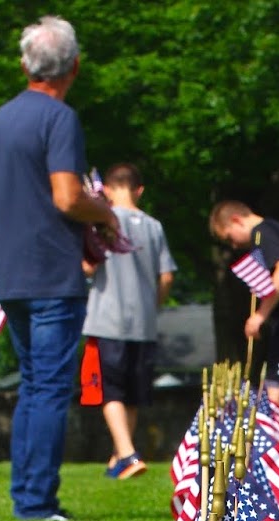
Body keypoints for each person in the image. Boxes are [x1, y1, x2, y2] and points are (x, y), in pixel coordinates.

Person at [0, 15, 119, 521]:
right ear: (75, 66)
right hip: (52, 273)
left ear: (24, 65)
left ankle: (27, 495)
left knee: (32, 385)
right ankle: (37, 502)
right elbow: (66, 197)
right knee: (50, 388)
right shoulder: (60, 120)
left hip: (11, 272)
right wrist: (104, 213)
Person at [82, 162, 176, 480]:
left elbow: (88, 267)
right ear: (140, 190)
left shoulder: (100, 221)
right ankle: (118, 457)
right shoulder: (155, 226)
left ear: (105, 190)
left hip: (107, 318)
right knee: (133, 394)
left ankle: (128, 454)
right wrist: (153, 306)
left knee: (109, 391)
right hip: (144, 322)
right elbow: (166, 277)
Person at [208, 199, 279, 436]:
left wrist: (260, 315)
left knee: (277, 397)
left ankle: (276, 461)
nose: (232, 245)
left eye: (229, 237)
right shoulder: (272, 229)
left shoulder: (262, 232)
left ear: (236, 220)